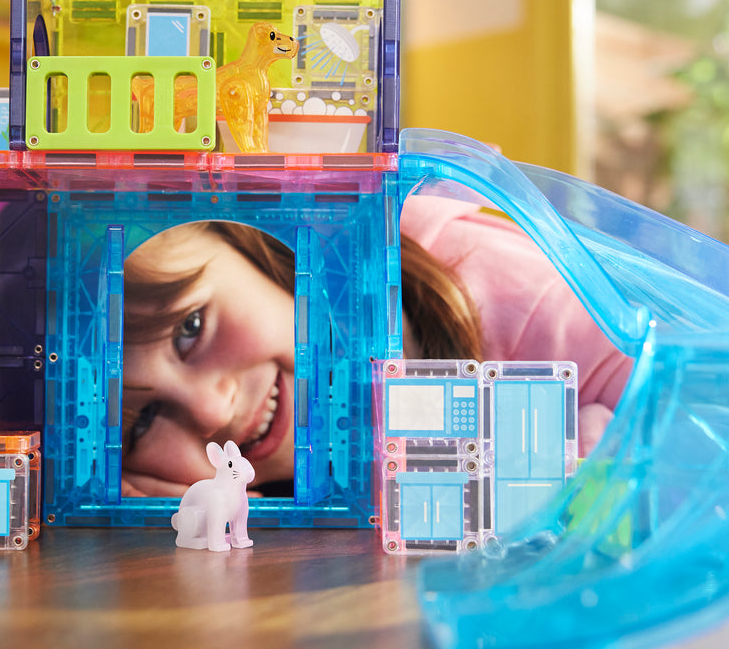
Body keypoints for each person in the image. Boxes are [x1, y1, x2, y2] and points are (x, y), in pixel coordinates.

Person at [120, 201, 635, 497]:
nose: (213, 410)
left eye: (190, 327)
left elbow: (666, 445)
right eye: (140, 425)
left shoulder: (502, 290)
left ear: (249, 239)